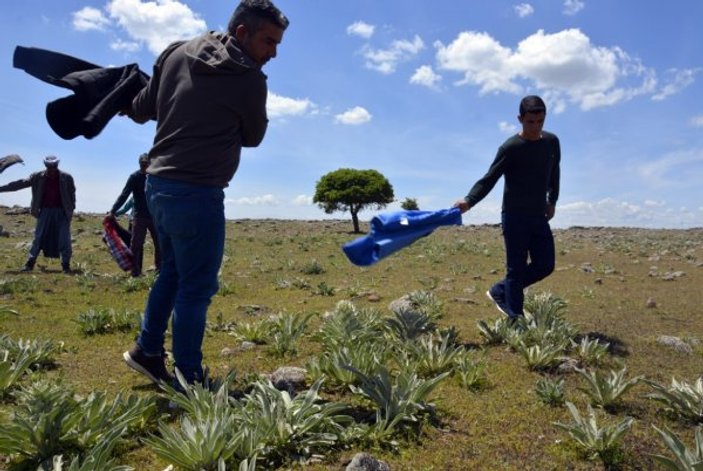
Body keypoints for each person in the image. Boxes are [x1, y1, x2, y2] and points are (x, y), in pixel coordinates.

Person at [121, 0, 289, 386]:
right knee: (196, 287)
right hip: (197, 192)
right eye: (269, 42)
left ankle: (146, 350)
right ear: (242, 33)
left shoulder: (175, 51)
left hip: (157, 185)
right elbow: (254, 136)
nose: (274, 53)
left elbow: (143, 107)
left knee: (173, 274)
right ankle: (189, 375)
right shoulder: (248, 77)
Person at [454, 95, 561, 320]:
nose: (535, 127)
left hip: (538, 215)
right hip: (514, 216)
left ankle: (500, 291)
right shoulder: (511, 147)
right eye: (530, 122)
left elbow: (554, 171)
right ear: (520, 119)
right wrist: (469, 200)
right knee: (516, 268)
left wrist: (552, 200)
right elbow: (490, 178)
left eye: (540, 121)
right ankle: (515, 318)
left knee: (545, 265)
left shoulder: (551, 142)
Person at [0, 156, 76, 273]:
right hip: (44, 211)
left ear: (57, 165)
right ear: (45, 166)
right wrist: (1, 189)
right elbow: (20, 184)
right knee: (38, 237)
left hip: (62, 211)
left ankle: (66, 265)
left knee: (64, 239)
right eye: (49, 166)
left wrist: (70, 209)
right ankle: (29, 264)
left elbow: (72, 194)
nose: (51, 169)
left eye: (54, 166)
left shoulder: (66, 177)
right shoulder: (37, 177)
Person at [107, 153, 160, 277]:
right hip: (139, 216)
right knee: (135, 245)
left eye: (147, 163)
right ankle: (135, 272)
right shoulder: (134, 177)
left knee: (160, 244)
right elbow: (124, 195)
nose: (144, 166)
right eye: (142, 163)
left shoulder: (156, 177)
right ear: (139, 163)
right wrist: (113, 211)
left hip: (155, 216)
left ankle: (160, 271)